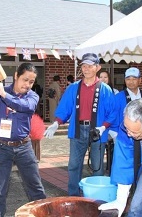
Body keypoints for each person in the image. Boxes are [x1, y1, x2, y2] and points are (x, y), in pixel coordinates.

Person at [44, 53, 117, 196]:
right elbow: (65, 107)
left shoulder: (104, 89)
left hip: (97, 130)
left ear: (98, 67)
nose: (86, 69)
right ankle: (74, 195)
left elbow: (113, 112)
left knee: (97, 166)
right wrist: (56, 123)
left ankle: (96, 197)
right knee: (74, 165)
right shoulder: (74, 87)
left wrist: (104, 126)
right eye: (84, 66)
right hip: (77, 129)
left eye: (90, 66)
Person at [0, 63, 46, 216]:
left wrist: (4, 94)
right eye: (25, 80)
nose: (28, 85)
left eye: (31, 82)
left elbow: (25, 106)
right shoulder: (1, 91)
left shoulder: (32, 96)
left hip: (24, 147)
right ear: (16, 75)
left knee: (35, 187)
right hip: (2, 147)